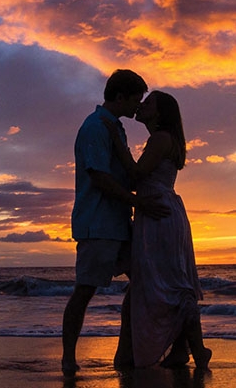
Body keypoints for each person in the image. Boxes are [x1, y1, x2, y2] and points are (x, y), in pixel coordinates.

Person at [62, 70, 169, 376]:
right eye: (136, 98)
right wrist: (138, 202)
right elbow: (98, 177)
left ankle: (129, 349)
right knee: (84, 291)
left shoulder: (115, 128)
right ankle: (68, 358)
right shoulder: (96, 127)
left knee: (144, 282)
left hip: (120, 222)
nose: (139, 104)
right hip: (98, 223)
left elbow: (126, 174)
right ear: (120, 97)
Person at [105, 90, 211, 370]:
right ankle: (180, 350)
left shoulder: (161, 139)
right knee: (163, 282)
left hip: (157, 213)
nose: (141, 105)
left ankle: (197, 349)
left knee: (170, 285)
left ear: (160, 113)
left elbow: (137, 175)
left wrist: (116, 142)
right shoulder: (165, 140)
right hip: (159, 210)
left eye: (149, 102)